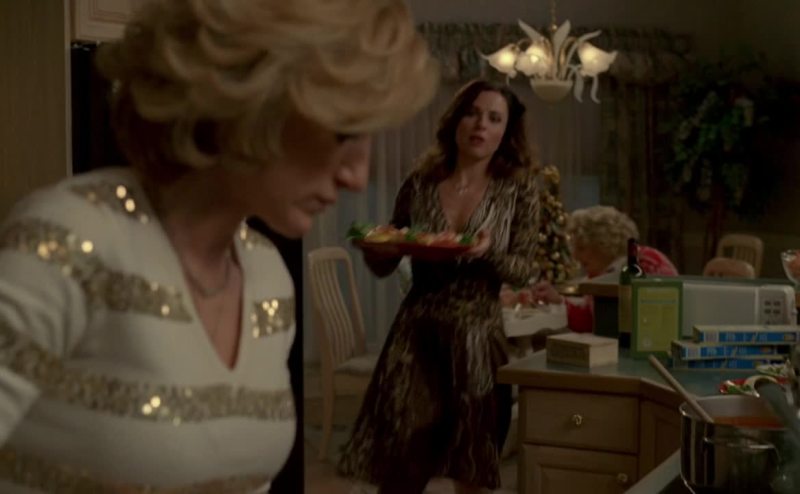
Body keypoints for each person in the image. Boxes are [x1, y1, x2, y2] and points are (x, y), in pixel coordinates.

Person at [0, 0, 438, 492]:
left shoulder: (265, 273)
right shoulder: (72, 239)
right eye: (345, 133)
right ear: (253, 101)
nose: (357, 175)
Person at [338, 79, 540, 494]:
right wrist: (378, 249)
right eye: (472, 113)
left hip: (479, 338)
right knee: (401, 463)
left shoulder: (518, 188)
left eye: (494, 118)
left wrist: (486, 252)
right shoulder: (421, 181)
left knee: (472, 467)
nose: (480, 125)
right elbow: (391, 253)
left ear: (506, 132)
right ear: (455, 121)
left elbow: (523, 270)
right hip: (417, 336)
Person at [532, 205, 678, 333]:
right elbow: (591, 316)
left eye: (582, 248)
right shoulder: (610, 270)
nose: (575, 255)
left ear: (603, 244)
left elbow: (597, 322)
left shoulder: (646, 266)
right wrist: (557, 300)